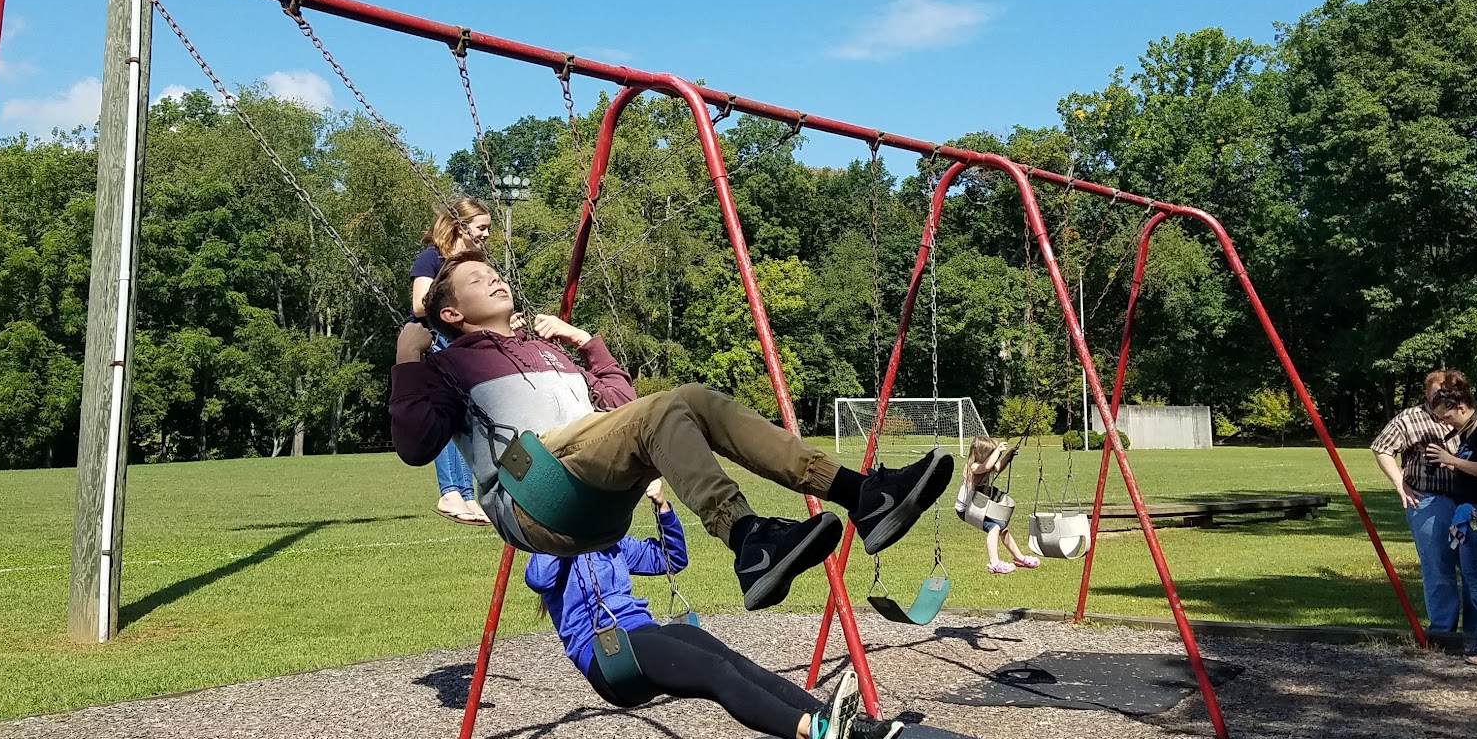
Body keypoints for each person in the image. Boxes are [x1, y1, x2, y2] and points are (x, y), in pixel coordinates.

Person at [389, 252, 953, 611]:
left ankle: (863, 495)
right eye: (476, 279)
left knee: (690, 402)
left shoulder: (545, 351)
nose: (494, 279)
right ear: (451, 314)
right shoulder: (448, 367)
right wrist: (408, 361)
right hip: (536, 491)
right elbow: (416, 447)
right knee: (665, 409)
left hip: (595, 495)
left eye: (494, 273)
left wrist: (586, 343)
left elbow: (626, 409)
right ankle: (746, 537)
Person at [528, 490, 904, 739]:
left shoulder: (614, 546)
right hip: (606, 656)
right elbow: (537, 576)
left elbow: (671, 559)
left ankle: (845, 730)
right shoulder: (555, 554)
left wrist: (663, 508)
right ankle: (813, 734)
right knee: (716, 672)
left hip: (642, 633)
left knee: (735, 661)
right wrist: (565, 535)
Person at [410, 200, 495, 524]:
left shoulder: (468, 263)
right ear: (462, 227)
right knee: (446, 417)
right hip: (434, 342)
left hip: (459, 345)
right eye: (482, 227)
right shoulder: (433, 258)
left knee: (465, 421)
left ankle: (467, 494)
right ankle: (449, 492)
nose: (487, 234)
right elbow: (419, 304)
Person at [1422, 375, 1477, 667]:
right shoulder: (1472, 432)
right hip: (1475, 512)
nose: (1446, 423)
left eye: (1446, 416)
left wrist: (1453, 460)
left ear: (1460, 406)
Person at [1371, 369, 1459, 636]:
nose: (1441, 397)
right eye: (1436, 392)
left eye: (1446, 392)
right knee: (1437, 565)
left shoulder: (1462, 415)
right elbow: (1381, 447)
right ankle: (1443, 632)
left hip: (1467, 500)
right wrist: (1399, 483)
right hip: (1427, 500)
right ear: (1426, 393)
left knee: (1473, 568)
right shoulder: (1410, 418)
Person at [954, 437, 1040, 575]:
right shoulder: (972, 467)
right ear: (982, 453)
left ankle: (1020, 558)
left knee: (1003, 527)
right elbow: (986, 467)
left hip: (979, 506)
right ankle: (994, 563)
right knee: (994, 527)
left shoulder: (985, 464)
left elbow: (997, 467)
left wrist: (1008, 455)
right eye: (991, 452)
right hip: (965, 509)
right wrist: (998, 450)